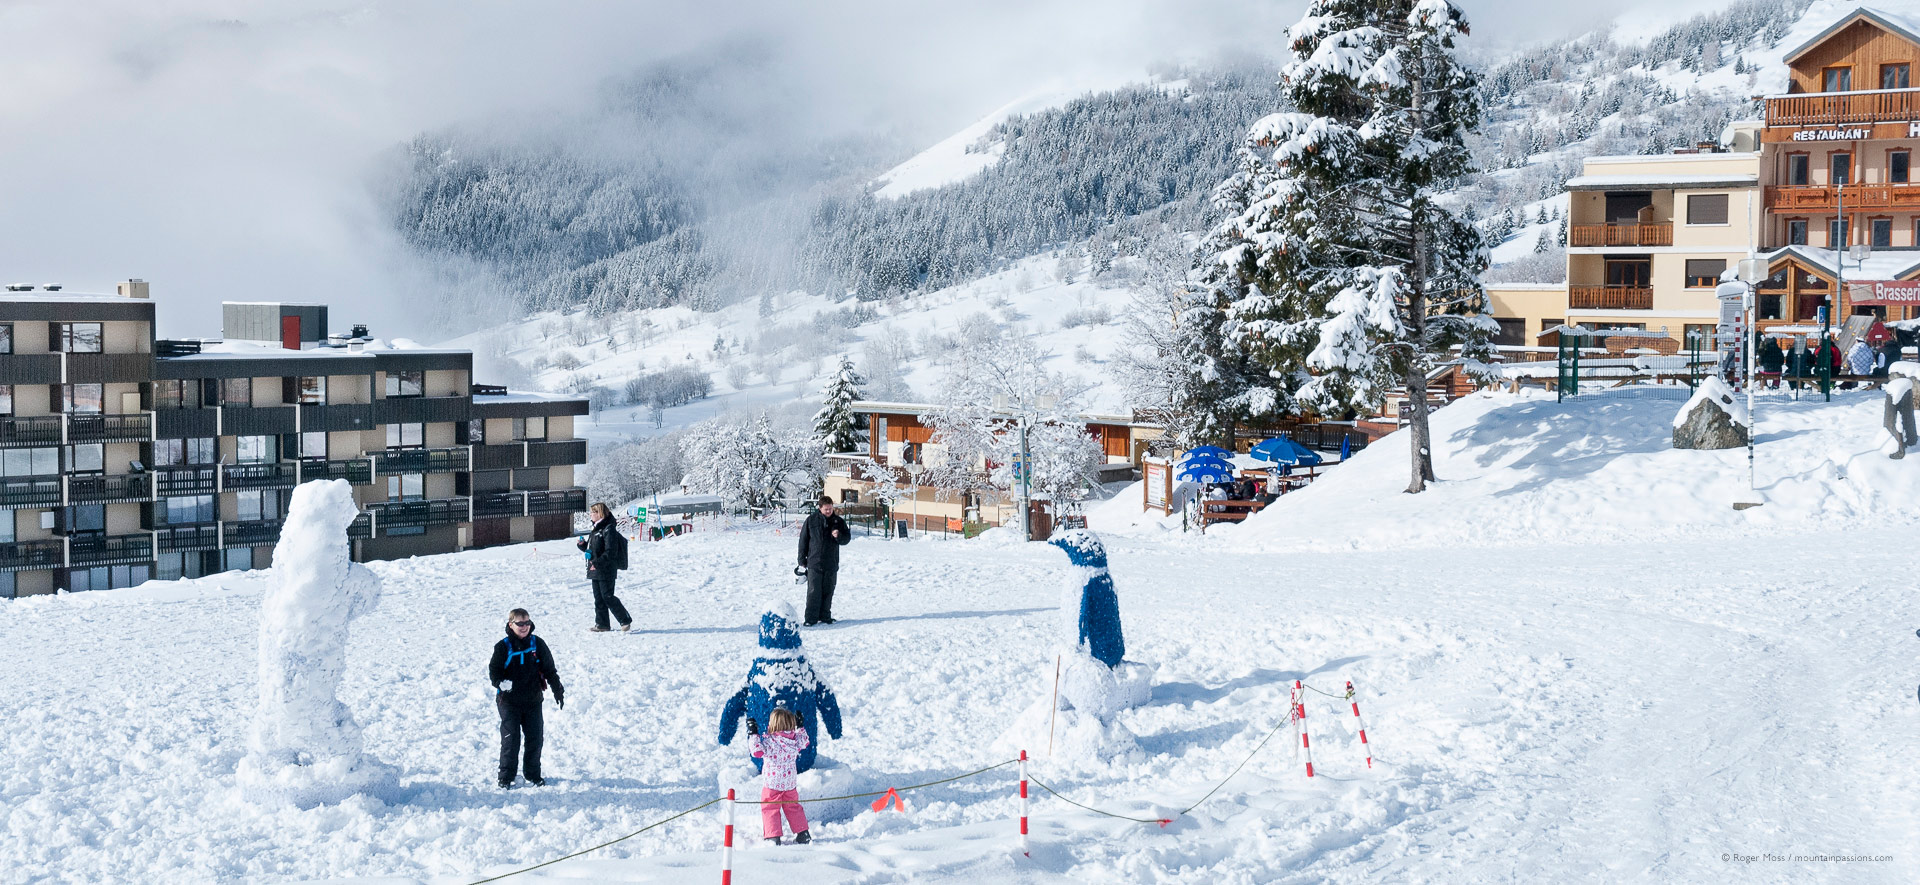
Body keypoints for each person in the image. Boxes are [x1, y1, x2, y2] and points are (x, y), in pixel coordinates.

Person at [489, 608, 564, 788]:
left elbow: (549, 669)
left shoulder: (537, 644)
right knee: (511, 739)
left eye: (527, 623)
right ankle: (506, 777)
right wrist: (500, 683)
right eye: (520, 624)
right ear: (511, 624)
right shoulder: (502, 646)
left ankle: (532, 774)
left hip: (533, 700)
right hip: (509, 702)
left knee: (535, 738)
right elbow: (494, 671)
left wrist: (557, 689)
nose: (524, 627)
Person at [746, 708, 812, 845]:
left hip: (772, 784)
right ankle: (803, 833)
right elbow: (805, 742)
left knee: (770, 808)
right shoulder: (794, 741)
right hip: (789, 784)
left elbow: (756, 752)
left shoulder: (770, 742)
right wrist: (800, 727)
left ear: (773, 725)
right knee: (793, 807)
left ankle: (773, 836)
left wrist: (753, 734)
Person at [576, 502, 632, 632]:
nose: (590, 515)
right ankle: (602, 624)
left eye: (592, 512)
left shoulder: (608, 529)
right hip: (595, 569)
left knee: (607, 596)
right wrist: (583, 545)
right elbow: (593, 549)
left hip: (606, 569)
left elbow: (610, 551)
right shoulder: (596, 528)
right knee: (598, 598)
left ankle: (625, 619)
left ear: (599, 513)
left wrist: (597, 563)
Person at [797, 494, 851, 626]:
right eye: (826, 509)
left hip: (831, 563)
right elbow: (803, 541)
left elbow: (847, 539)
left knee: (828, 591)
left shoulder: (838, 521)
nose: (829, 511)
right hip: (814, 562)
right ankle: (810, 619)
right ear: (820, 508)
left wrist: (839, 536)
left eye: (831, 509)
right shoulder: (811, 521)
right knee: (814, 591)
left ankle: (825, 616)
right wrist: (801, 560)